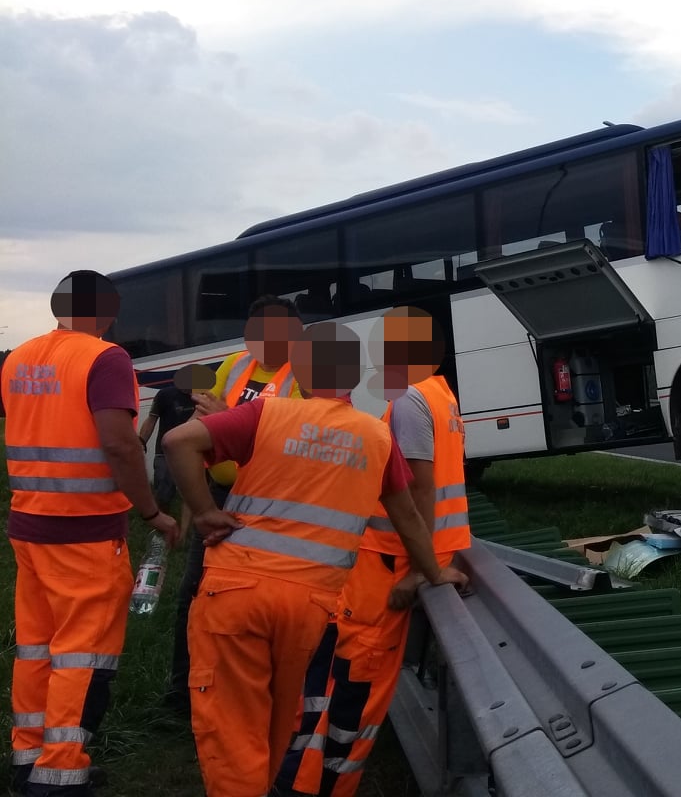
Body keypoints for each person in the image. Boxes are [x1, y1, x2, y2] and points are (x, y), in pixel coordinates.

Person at [161, 320, 469, 797]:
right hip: (313, 604)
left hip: (237, 593)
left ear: (300, 369)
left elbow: (178, 442)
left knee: (234, 723)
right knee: (280, 723)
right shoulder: (376, 437)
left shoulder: (266, 414)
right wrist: (433, 572)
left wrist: (204, 512)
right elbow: (408, 515)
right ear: (355, 373)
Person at [277, 306, 471, 796]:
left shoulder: (407, 401)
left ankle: (307, 785)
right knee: (361, 686)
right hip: (413, 557)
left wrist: (418, 572)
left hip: (389, 563)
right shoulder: (441, 396)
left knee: (350, 680)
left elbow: (419, 491)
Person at [2, 270, 180, 797]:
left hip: (29, 525)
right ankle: (59, 775)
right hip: (84, 532)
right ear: (108, 309)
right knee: (83, 655)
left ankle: (28, 756)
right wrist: (151, 512)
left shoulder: (19, 358)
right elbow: (121, 446)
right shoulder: (106, 358)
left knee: (37, 649)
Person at [164, 295, 306, 712]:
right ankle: (181, 693)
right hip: (222, 495)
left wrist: (225, 419)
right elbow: (199, 423)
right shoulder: (235, 365)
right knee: (196, 590)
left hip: (274, 501)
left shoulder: (306, 375)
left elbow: (293, 445)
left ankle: (251, 694)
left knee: (259, 598)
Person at [139, 363, 213, 509]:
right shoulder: (165, 395)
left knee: (202, 491)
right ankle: (158, 522)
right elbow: (151, 420)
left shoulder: (205, 396)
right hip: (165, 452)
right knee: (163, 492)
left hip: (197, 451)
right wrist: (141, 442)